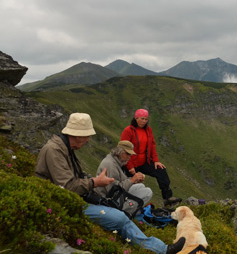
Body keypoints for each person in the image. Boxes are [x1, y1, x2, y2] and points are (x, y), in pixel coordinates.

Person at [35, 112, 185, 254]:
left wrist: (91, 181)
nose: (88, 140)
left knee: (120, 217)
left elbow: (74, 179)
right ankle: (161, 249)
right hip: (61, 203)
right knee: (119, 217)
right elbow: (67, 187)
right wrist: (95, 182)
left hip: (76, 198)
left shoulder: (65, 149)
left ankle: (162, 249)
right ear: (77, 135)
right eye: (86, 136)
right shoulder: (54, 151)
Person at [121, 109, 182, 207]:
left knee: (161, 171)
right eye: (142, 119)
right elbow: (124, 149)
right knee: (131, 184)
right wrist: (130, 167)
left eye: (146, 119)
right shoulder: (128, 131)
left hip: (144, 162)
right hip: (131, 163)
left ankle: (167, 198)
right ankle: (128, 205)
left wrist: (156, 161)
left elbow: (152, 145)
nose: (144, 121)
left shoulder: (148, 130)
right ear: (136, 118)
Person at [95, 140, 153, 216]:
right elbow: (114, 190)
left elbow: (120, 181)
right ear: (119, 152)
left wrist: (134, 180)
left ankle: (131, 210)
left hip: (113, 194)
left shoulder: (115, 161)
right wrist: (132, 180)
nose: (129, 157)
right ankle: (125, 213)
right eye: (127, 154)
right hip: (107, 199)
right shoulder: (110, 164)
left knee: (141, 186)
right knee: (148, 192)